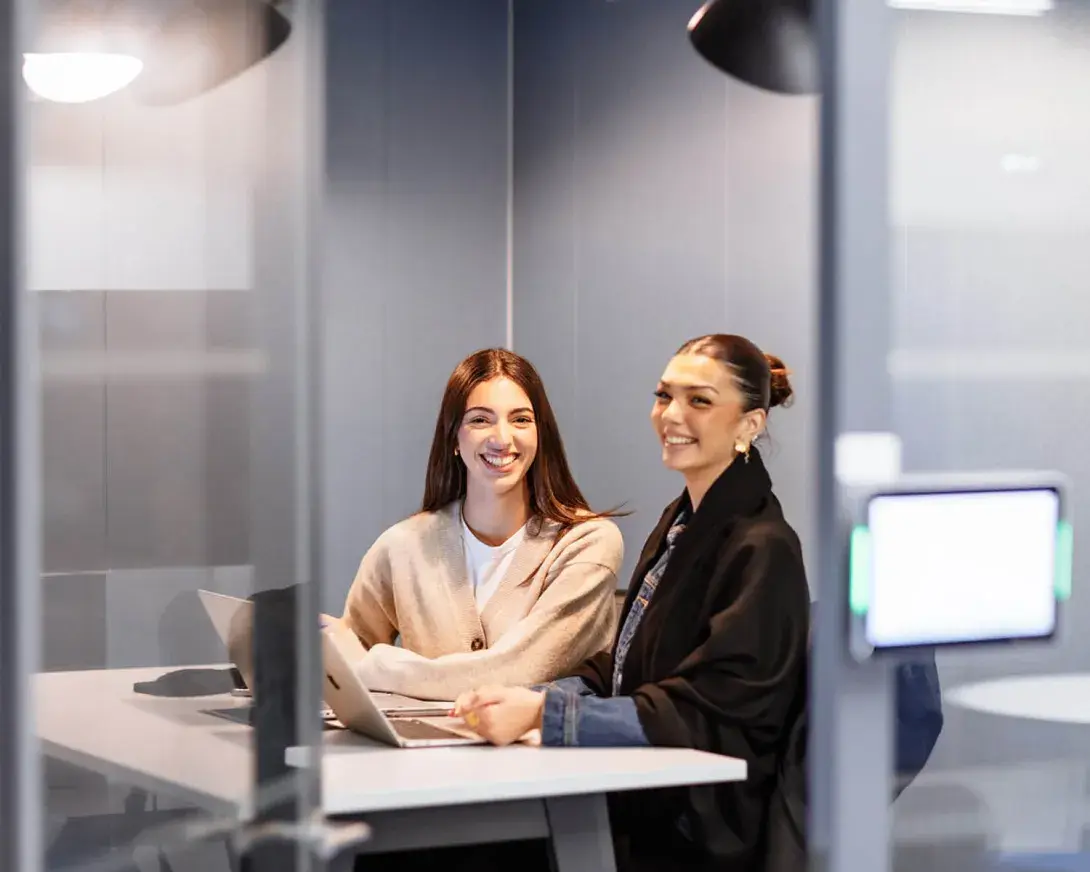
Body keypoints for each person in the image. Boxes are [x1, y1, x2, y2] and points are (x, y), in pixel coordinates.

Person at [455, 334, 810, 872]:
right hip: (647, 800)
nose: (671, 415)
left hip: (695, 833)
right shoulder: (682, 520)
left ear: (749, 425)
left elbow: (698, 713)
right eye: (665, 395)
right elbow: (630, 667)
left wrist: (547, 715)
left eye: (700, 401)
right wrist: (531, 695)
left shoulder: (763, 547)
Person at [337, 348, 624, 702]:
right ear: (453, 438)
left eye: (521, 420)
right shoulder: (402, 546)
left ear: (540, 435)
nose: (502, 439)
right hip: (425, 755)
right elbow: (344, 661)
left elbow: (522, 671)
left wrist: (381, 667)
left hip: (545, 755)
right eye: (480, 420)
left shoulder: (587, 543)